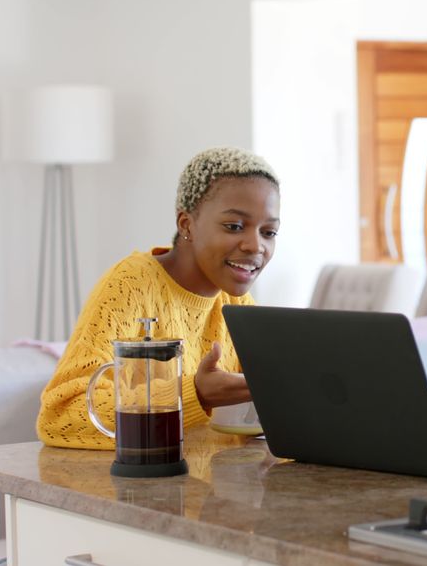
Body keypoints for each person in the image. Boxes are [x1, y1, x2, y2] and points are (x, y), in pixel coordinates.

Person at [37, 146, 280, 449]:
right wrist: (194, 393)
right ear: (186, 224)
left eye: (269, 232)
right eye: (234, 226)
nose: (255, 246)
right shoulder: (132, 284)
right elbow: (60, 414)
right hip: (137, 491)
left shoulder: (236, 305)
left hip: (212, 489)